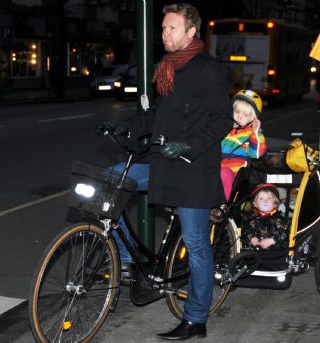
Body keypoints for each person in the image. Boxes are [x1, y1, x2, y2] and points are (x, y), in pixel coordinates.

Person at [102, 3, 231, 340]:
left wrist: (186, 145)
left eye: (171, 28)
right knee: (111, 179)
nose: (164, 34)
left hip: (192, 169)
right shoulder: (168, 67)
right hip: (162, 161)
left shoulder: (207, 69)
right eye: (162, 28)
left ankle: (196, 319)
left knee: (197, 245)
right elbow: (157, 115)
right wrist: (126, 128)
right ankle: (129, 260)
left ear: (191, 32)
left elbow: (222, 119)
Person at [220, 90, 266, 201]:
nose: (239, 117)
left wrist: (255, 133)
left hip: (234, 173)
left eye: (245, 115)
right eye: (237, 112)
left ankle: (221, 205)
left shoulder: (250, 135)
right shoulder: (223, 128)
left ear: (253, 119)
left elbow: (256, 153)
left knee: (224, 173)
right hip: (214, 167)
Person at [241, 183, 289, 250]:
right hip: (254, 254)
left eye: (269, 198)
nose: (265, 201)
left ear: (275, 203)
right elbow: (244, 231)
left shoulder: (280, 219)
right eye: (261, 198)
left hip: (276, 254)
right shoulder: (250, 219)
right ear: (255, 204)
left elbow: (284, 233)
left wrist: (273, 240)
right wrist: (251, 238)